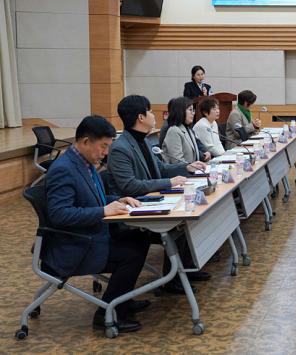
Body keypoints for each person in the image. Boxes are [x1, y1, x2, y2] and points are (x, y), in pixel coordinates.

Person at [44, 115, 150, 333]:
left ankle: (122, 300)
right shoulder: (64, 169)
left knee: (140, 237)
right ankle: (106, 315)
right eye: (103, 146)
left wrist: (119, 200)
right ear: (85, 142)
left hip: (92, 234)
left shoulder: (84, 162)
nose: (106, 152)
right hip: (74, 245)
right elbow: (59, 215)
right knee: (130, 254)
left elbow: (92, 199)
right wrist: (103, 211)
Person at [107, 95, 210, 293]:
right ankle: (172, 280)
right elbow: (130, 185)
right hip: (131, 210)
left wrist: (186, 167)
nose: (154, 115)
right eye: (150, 111)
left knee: (187, 220)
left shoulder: (143, 140)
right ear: (140, 117)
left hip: (151, 200)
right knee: (178, 225)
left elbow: (160, 167)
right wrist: (169, 182)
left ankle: (186, 269)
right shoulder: (121, 148)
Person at [162, 97, 206, 164]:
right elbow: (177, 161)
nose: (193, 113)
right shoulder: (174, 131)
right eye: (190, 110)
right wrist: (194, 167)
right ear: (181, 111)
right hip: (182, 170)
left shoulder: (188, 129)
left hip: (193, 169)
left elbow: (195, 154)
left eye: (193, 110)